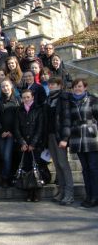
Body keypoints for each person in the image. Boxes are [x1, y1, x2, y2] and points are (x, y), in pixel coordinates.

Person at [66, 78, 98, 208]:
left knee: (93, 168)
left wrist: (94, 129)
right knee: (85, 169)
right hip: (77, 138)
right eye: (75, 86)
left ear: (85, 87)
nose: (77, 89)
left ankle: (95, 196)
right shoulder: (71, 102)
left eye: (79, 86)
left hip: (91, 138)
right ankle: (89, 195)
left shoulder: (92, 100)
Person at [44, 77, 74, 205]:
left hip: (60, 137)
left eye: (54, 84)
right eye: (49, 84)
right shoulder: (48, 99)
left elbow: (67, 119)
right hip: (50, 136)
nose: (51, 86)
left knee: (63, 164)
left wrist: (65, 138)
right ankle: (61, 191)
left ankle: (69, 193)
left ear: (60, 85)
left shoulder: (64, 98)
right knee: (57, 165)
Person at [13, 89, 44, 202]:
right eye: (24, 97)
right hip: (23, 145)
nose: (26, 99)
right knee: (26, 168)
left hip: (35, 145)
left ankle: (36, 193)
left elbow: (40, 128)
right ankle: (28, 193)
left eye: (28, 97)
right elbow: (16, 128)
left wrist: (33, 143)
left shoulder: (38, 110)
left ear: (32, 97)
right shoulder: (19, 110)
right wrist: (22, 142)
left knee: (35, 168)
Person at [0, 79, 21, 187]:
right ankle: (7, 177)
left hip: (12, 134)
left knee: (7, 156)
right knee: (3, 155)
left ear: (11, 87)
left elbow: (18, 119)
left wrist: (11, 131)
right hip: (1, 134)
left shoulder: (17, 100)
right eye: (3, 86)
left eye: (7, 86)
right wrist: (1, 131)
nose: (5, 88)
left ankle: (5, 178)